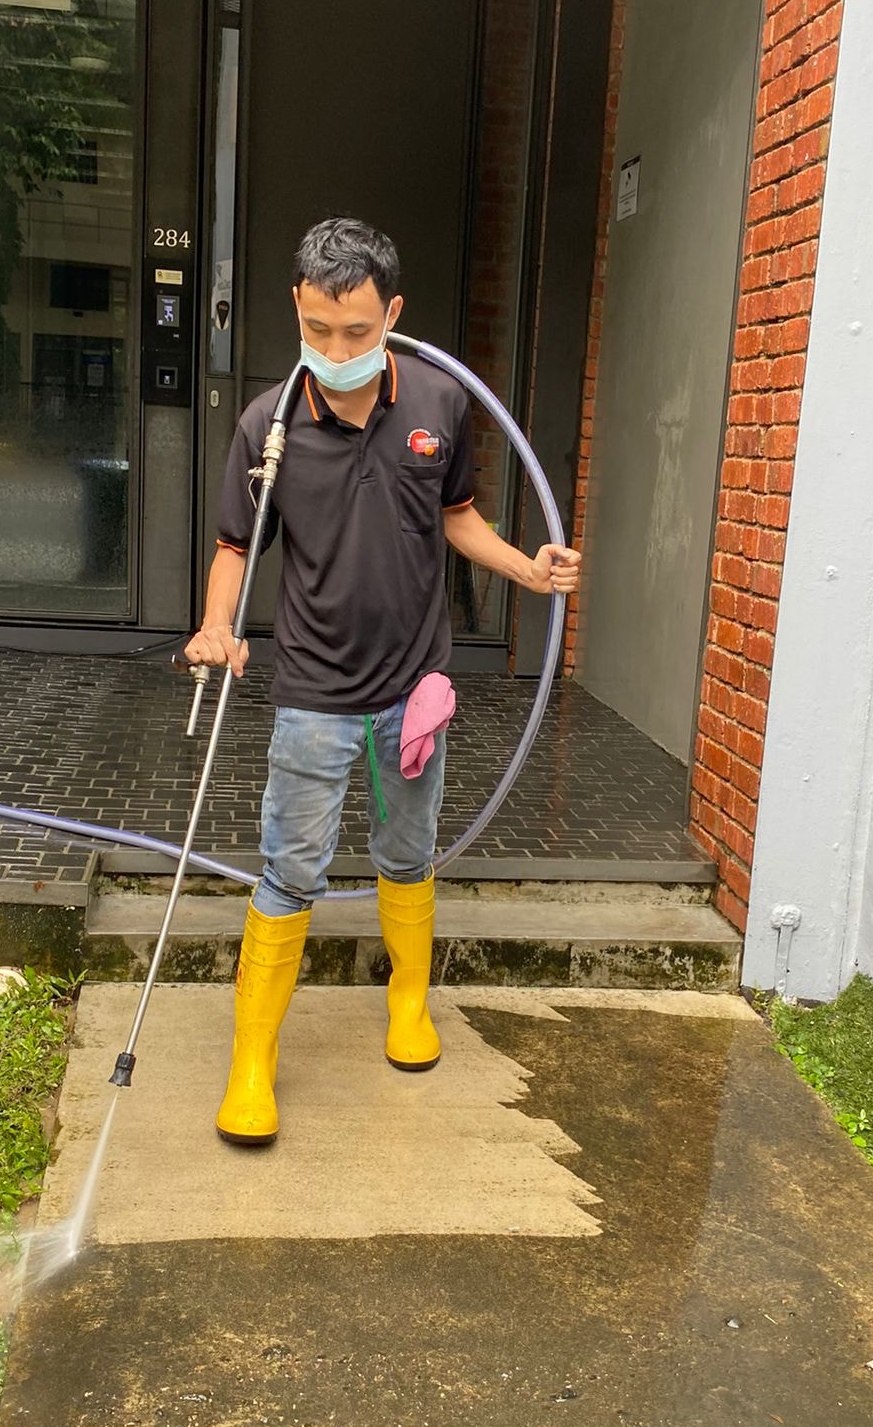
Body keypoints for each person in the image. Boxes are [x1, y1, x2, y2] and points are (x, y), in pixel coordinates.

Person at [185, 217, 581, 1146]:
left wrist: (526, 570)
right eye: (318, 330)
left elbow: (460, 517)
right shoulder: (267, 426)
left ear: (392, 313)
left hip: (414, 685)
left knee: (408, 851)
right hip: (313, 690)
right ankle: (252, 1064)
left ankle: (409, 1002)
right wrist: (214, 628)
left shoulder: (441, 403)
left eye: (357, 332)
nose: (336, 350)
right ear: (297, 309)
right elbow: (236, 546)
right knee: (291, 866)